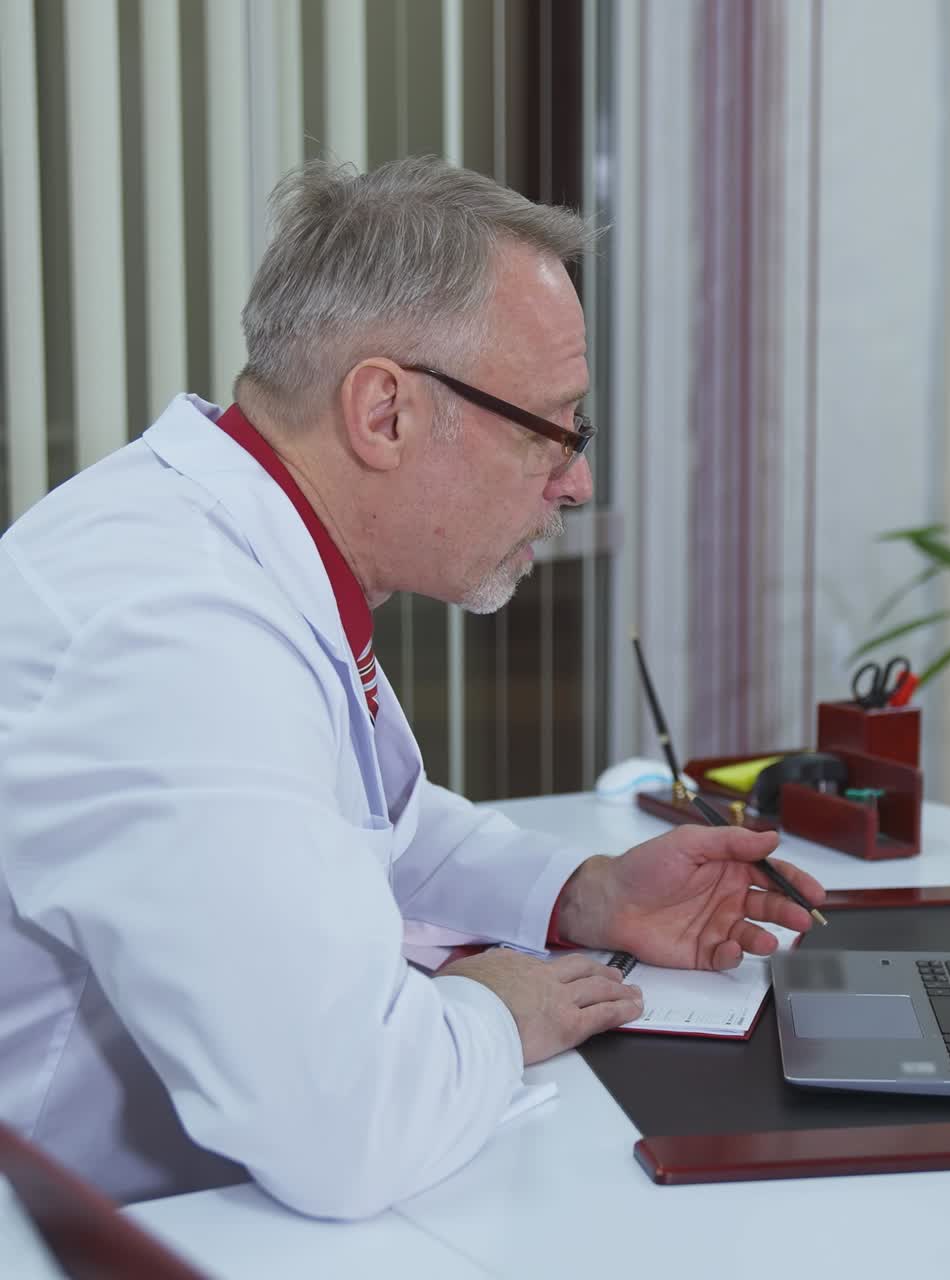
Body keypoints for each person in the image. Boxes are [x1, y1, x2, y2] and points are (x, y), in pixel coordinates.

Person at [0, 157, 823, 1220]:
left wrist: (583, 894)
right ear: (383, 412)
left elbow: (367, 820)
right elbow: (343, 1125)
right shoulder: (176, 633)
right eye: (553, 423)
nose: (573, 477)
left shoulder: (241, 546)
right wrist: (493, 1009)